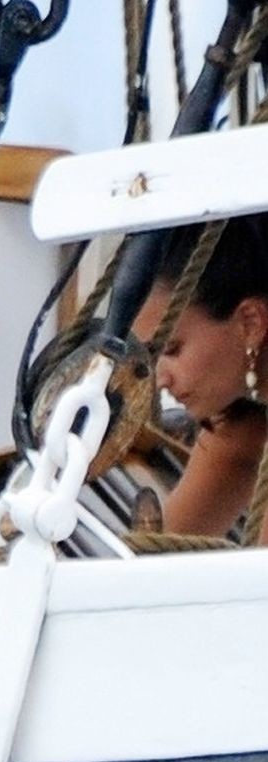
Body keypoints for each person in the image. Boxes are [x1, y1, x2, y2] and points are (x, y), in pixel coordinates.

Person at [135, 214, 268, 542]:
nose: (159, 381)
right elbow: (154, 559)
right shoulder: (241, 424)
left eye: (172, 349)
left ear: (250, 323)